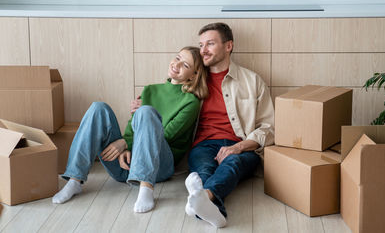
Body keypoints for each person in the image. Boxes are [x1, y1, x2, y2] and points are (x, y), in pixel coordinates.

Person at [52, 46, 208, 214]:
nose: (176, 65)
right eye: (177, 58)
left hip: (159, 167)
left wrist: (125, 143)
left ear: (194, 75)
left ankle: (146, 188)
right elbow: (133, 125)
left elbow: (167, 136)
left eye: (185, 65)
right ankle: (75, 180)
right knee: (98, 108)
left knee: (146, 112)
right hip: (124, 164)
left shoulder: (190, 102)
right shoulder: (150, 89)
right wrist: (124, 148)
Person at [184, 23, 275, 227]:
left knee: (232, 163)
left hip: (242, 146)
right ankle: (214, 209)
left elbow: (269, 127)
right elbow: (167, 96)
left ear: (228, 46)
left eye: (210, 44)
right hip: (203, 146)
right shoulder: (193, 80)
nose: (203, 50)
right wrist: (142, 102)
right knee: (205, 171)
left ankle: (205, 199)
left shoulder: (253, 81)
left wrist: (238, 147)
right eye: (201, 45)